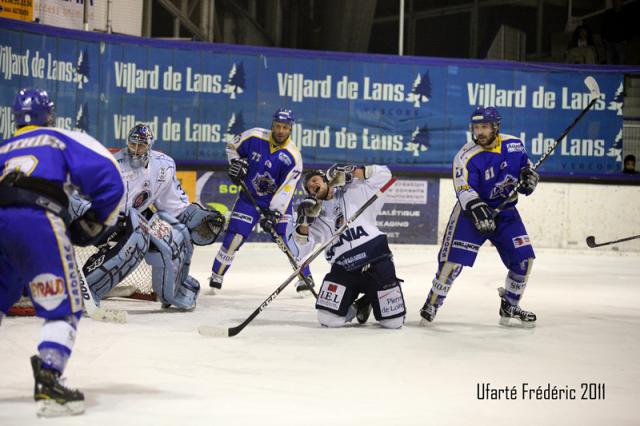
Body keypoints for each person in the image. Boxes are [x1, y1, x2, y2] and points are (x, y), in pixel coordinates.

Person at [0, 88, 125, 416]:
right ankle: (50, 380)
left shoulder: (3, 147)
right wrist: (96, 222)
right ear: (49, 116)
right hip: (37, 220)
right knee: (63, 307)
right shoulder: (57, 137)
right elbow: (111, 180)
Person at [79, 123, 225, 310]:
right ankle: (88, 290)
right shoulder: (111, 163)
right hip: (100, 220)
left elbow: (174, 207)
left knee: (179, 232)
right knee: (137, 237)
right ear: (127, 143)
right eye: (133, 145)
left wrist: (197, 216)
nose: (136, 150)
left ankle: (174, 290)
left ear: (150, 146)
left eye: (141, 146)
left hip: (133, 219)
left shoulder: (163, 167)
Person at [419, 106, 538, 328]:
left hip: (506, 213)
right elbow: (463, 189)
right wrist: (477, 208)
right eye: (476, 127)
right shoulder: (465, 156)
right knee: (452, 263)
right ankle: (433, 302)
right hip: (471, 213)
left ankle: (510, 304)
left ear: (496, 127)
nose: (480, 132)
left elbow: (525, 171)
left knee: (524, 259)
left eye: (484, 127)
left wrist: (529, 179)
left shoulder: (514, 145)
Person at [209, 108, 314, 294]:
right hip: (249, 199)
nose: (280, 130)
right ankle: (216, 276)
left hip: (278, 204)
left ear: (291, 128)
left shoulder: (293, 157)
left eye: (285, 127)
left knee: (289, 241)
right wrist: (236, 163)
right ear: (272, 124)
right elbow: (231, 148)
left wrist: (274, 213)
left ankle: (304, 277)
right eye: (277, 126)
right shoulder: (254, 136)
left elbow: (286, 190)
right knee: (234, 238)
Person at [294, 164, 406, 329]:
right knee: (328, 319)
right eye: (308, 186)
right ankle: (360, 304)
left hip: (375, 259)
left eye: (315, 180)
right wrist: (304, 222)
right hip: (344, 268)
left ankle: (371, 296)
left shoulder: (354, 190)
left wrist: (354, 171)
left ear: (326, 180)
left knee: (393, 323)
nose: (312, 185)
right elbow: (301, 246)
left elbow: (385, 175)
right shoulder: (312, 213)